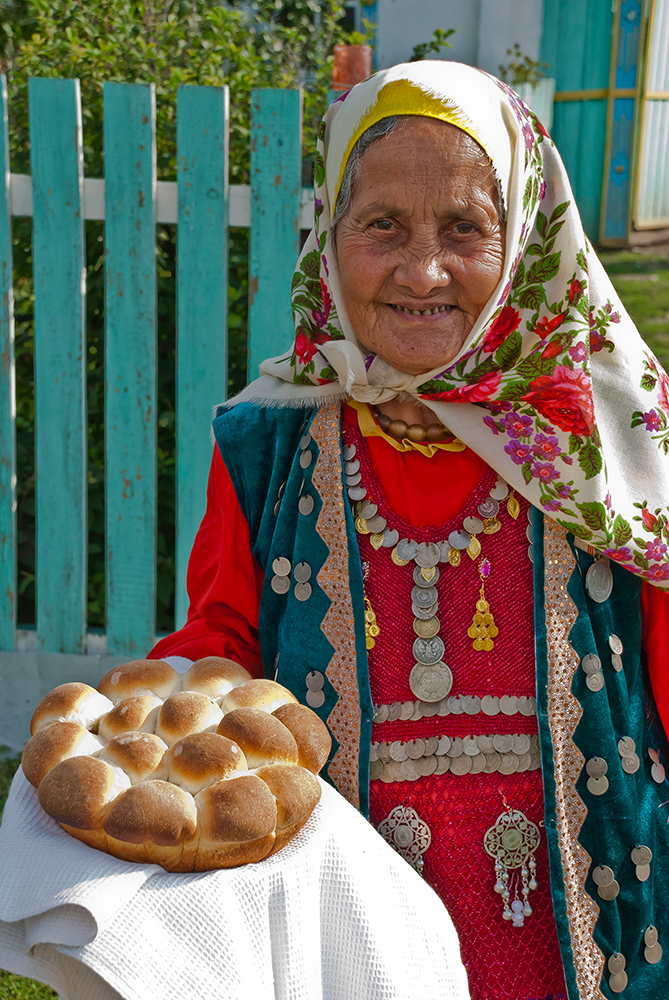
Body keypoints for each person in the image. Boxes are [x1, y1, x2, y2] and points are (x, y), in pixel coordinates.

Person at [151, 61, 669, 1000]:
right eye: (381, 224)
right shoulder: (270, 438)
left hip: (589, 939)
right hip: (344, 932)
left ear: (522, 239)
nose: (421, 271)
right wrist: (161, 723)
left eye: (465, 228)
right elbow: (221, 636)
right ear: (328, 235)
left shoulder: (600, 449)